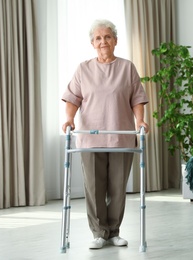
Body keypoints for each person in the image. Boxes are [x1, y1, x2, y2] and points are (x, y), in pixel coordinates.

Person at [61, 19, 149, 250]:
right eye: (98, 38)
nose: (103, 42)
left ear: (116, 41)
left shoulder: (127, 67)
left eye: (107, 37)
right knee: (94, 187)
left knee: (118, 187)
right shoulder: (83, 69)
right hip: (91, 138)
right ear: (92, 43)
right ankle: (100, 233)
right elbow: (73, 98)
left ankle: (114, 232)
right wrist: (69, 118)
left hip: (120, 136)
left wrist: (140, 120)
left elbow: (137, 98)